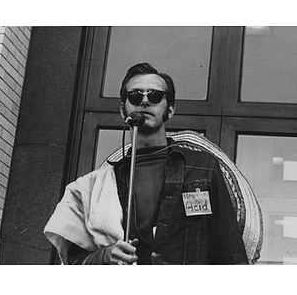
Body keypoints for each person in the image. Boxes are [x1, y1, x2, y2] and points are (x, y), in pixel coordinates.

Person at [44, 62, 260, 265]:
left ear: (171, 110)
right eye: (135, 95)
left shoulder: (202, 167)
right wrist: (105, 255)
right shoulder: (101, 183)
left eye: (155, 95)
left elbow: (231, 254)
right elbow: (73, 262)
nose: (145, 101)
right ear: (123, 111)